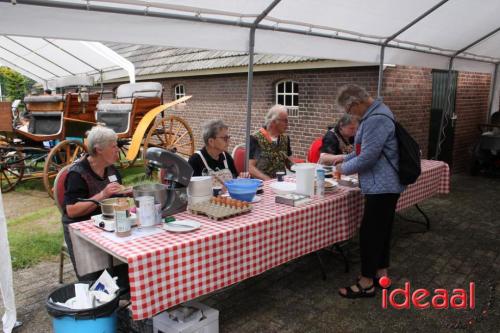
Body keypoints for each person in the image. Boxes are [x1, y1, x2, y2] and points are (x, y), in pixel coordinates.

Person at [334, 84, 405, 298]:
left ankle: (366, 283)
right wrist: (343, 160)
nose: (350, 116)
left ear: (355, 103)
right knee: (381, 232)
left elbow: (368, 157)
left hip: (382, 186)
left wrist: (342, 169)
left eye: (349, 111)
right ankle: (381, 276)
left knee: (369, 234)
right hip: (384, 184)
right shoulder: (378, 114)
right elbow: (361, 150)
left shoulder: (375, 119)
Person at [62, 126, 129, 280]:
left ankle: (122, 293)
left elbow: (118, 197)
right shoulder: (77, 174)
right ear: (98, 149)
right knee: (93, 279)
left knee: (126, 263)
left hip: (107, 224)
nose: (117, 150)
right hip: (81, 230)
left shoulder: (111, 170)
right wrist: (102, 195)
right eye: (113, 147)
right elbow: (71, 211)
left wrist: (127, 191)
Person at [188, 120, 240, 187]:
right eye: (225, 138)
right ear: (211, 141)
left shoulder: (226, 157)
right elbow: (190, 188)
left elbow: (234, 179)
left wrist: (240, 179)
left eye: (228, 137)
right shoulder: (196, 160)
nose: (228, 141)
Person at [249, 105, 293, 180]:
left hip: (281, 184)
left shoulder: (285, 139)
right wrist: (267, 179)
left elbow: (290, 163)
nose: (287, 124)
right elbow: (249, 167)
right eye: (285, 120)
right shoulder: (256, 138)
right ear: (273, 122)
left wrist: (303, 169)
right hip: (262, 185)